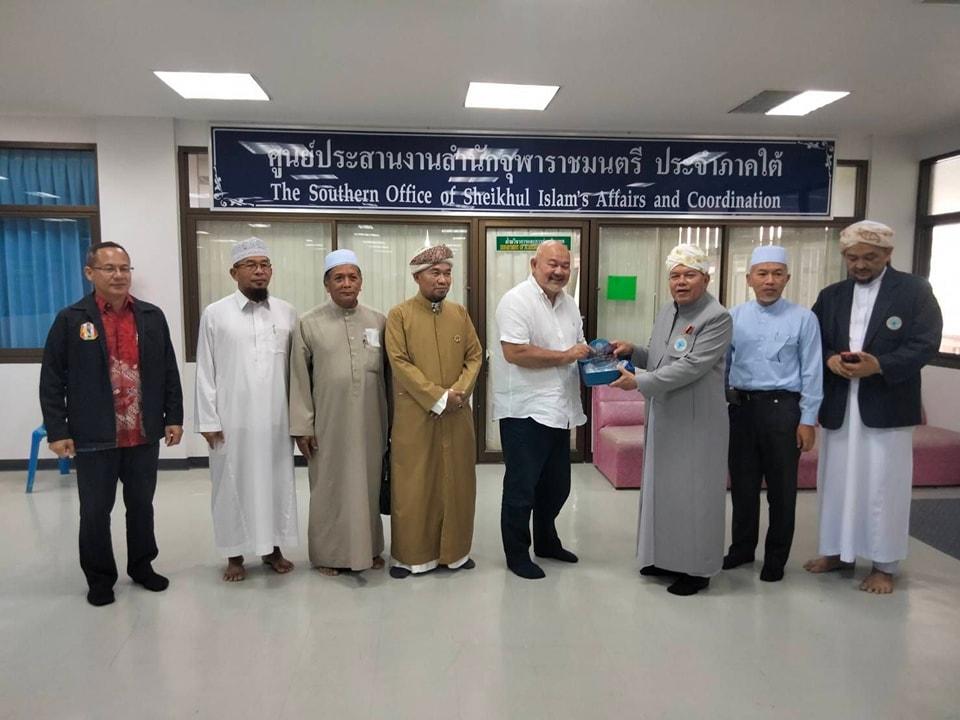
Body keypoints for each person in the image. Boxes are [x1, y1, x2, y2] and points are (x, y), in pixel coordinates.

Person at [39, 241, 183, 607]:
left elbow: (168, 369)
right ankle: (100, 578)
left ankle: (142, 566)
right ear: (90, 273)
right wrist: (58, 430)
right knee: (95, 511)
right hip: (94, 435)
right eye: (109, 268)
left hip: (142, 432)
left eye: (124, 268)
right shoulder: (72, 319)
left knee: (141, 506)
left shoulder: (151, 316)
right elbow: (52, 378)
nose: (119, 275)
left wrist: (174, 417)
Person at [804, 220, 942, 594]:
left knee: (883, 484)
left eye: (870, 257)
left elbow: (926, 343)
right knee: (836, 481)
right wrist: (830, 359)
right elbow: (813, 338)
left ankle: (884, 565)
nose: (860, 264)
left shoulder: (914, 291)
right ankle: (836, 552)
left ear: (888, 254)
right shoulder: (832, 294)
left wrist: (879, 365)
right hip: (840, 402)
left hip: (887, 403)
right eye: (853, 258)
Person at [610, 243, 732, 596]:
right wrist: (634, 350)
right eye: (675, 275)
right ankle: (664, 558)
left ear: (706, 278)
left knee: (696, 494)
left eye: (689, 275)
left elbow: (691, 366)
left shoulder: (716, 317)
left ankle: (697, 569)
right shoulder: (668, 311)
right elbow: (660, 357)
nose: (681, 282)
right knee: (663, 491)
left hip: (698, 423)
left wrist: (639, 382)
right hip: (664, 416)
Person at [194, 237, 298, 582]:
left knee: (276, 482)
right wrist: (208, 419)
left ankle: (273, 549)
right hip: (232, 419)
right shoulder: (215, 313)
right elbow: (205, 369)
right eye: (250, 265)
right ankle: (234, 554)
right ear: (233, 272)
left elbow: (297, 371)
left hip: (276, 419)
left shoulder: (286, 313)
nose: (259, 272)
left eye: (265, 265)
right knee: (231, 484)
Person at [722, 245, 823, 582]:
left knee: (782, 490)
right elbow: (724, 366)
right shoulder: (734, 317)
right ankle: (741, 549)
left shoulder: (804, 319)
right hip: (741, 409)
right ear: (749, 278)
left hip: (784, 411)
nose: (769, 281)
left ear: (787, 278)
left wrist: (807, 420)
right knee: (742, 486)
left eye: (777, 274)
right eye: (762, 274)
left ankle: (776, 559)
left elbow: (812, 372)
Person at [492, 240, 591, 580]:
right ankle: (517, 554)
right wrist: (567, 356)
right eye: (552, 264)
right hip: (524, 411)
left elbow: (578, 347)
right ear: (534, 265)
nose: (559, 271)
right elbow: (515, 353)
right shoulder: (516, 300)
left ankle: (547, 542)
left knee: (556, 486)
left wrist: (597, 358)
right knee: (521, 488)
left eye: (565, 266)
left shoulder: (569, 304)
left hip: (559, 409)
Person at [385, 244, 482, 579]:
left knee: (458, 483)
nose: (443, 280)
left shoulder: (460, 314)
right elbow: (399, 362)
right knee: (414, 484)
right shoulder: (399, 315)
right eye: (435, 273)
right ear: (417, 277)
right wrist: (438, 397)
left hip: (457, 415)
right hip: (417, 415)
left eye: (447, 273)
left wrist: (459, 393)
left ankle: (455, 554)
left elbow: (474, 356)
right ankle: (411, 558)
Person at [289, 249, 388, 575]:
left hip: (370, 421)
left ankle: (369, 549)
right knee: (328, 487)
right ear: (327, 284)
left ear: (361, 282)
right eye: (339, 278)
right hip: (328, 424)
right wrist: (303, 426)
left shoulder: (378, 321)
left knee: (368, 486)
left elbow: (388, 377)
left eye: (352, 277)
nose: (346, 284)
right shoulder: (308, 323)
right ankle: (327, 555)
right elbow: (299, 379)